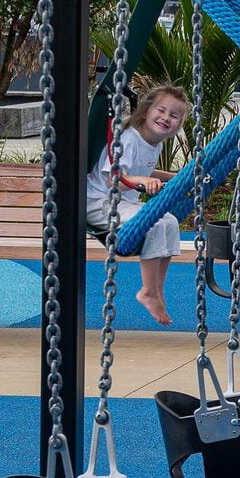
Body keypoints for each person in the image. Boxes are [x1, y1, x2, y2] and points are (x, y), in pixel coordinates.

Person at [87, 83, 190, 326]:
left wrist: (171, 177)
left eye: (174, 116)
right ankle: (146, 290)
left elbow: (142, 168)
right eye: (161, 110)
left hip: (122, 202)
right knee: (154, 223)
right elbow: (114, 178)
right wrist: (142, 181)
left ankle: (157, 289)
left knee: (171, 222)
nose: (166, 118)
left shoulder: (154, 143)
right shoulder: (129, 138)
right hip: (101, 202)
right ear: (145, 111)